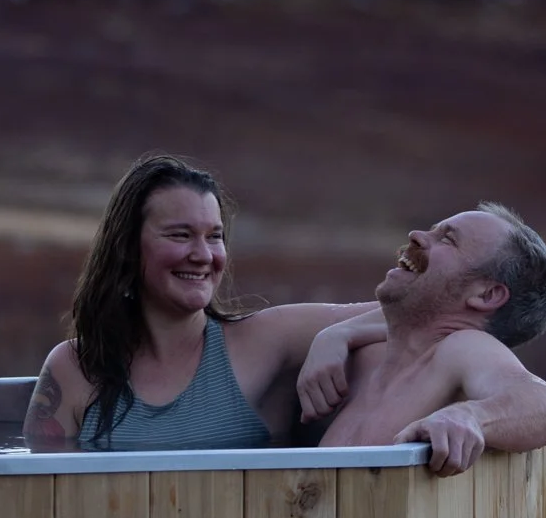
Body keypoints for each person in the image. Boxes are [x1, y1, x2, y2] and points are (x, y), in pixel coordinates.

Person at [24, 154, 384, 449]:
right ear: (127, 248)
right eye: (180, 235)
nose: (203, 255)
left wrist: (339, 335)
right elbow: (41, 500)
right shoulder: (73, 369)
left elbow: (412, 312)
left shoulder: (264, 341)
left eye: (214, 237)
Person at [297, 204, 546, 474]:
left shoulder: (462, 348)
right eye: (432, 230)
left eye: (448, 239)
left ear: (486, 295)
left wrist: (472, 417)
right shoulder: (368, 360)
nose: (416, 235)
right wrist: (336, 333)